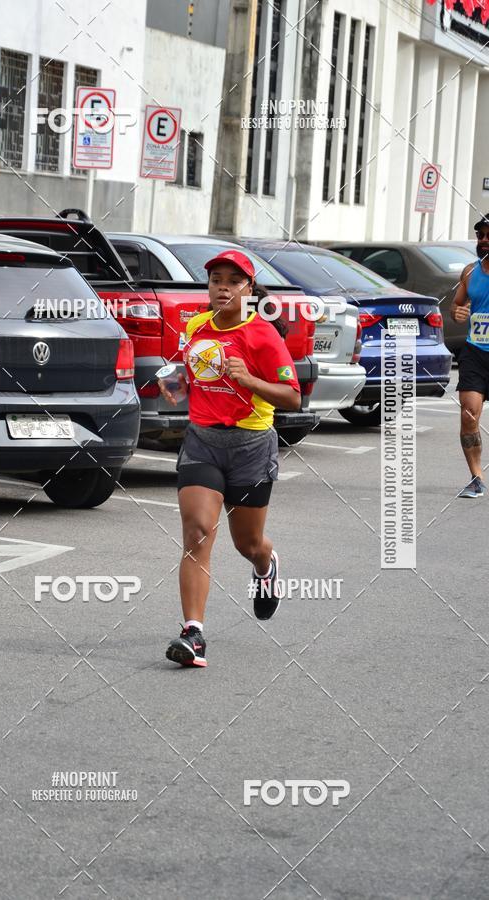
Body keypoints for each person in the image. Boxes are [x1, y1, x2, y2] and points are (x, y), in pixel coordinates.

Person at [159, 250, 301, 668]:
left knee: (248, 543)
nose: (222, 286)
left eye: (232, 280)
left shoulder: (262, 336)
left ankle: (265, 564)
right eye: (215, 278)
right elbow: (181, 371)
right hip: (202, 441)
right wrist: (174, 385)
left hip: (251, 446)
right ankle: (194, 633)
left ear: (248, 289)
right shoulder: (195, 325)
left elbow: (293, 397)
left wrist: (250, 380)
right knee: (197, 533)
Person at [451, 214, 489, 498]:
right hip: (475, 352)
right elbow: (457, 305)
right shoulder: (469, 272)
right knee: (468, 414)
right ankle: (476, 477)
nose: (484, 240)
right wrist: (458, 312)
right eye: (480, 236)